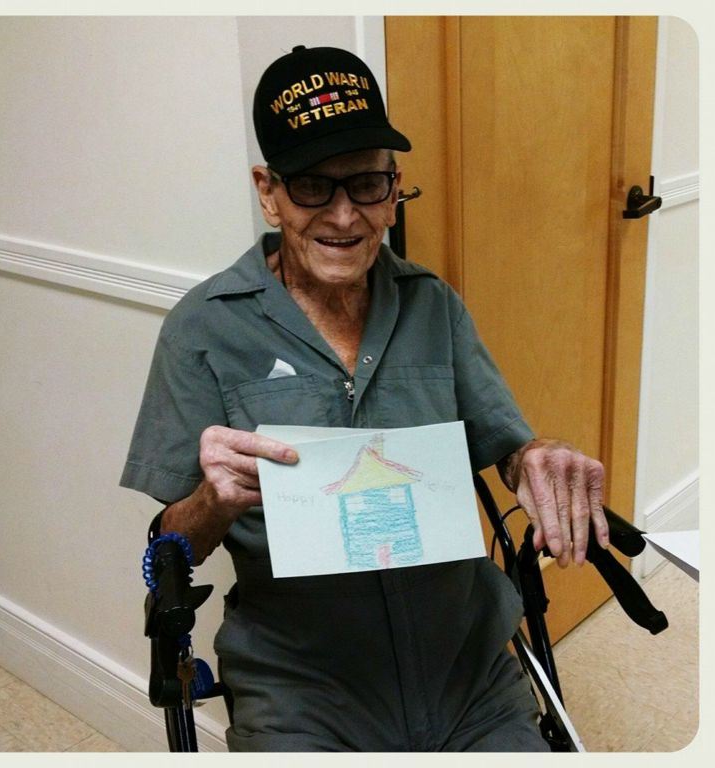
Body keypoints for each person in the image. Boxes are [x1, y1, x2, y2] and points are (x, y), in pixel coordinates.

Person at [121, 44, 609, 752]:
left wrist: (541, 456)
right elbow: (173, 546)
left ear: (394, 186)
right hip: (304, 685)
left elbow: (509, 448)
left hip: (465, 668)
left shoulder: (432, 305)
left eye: (368, 186)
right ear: (269, 189)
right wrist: (212, 500)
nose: (345, 217)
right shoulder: (203, 327)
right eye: (313, 187)